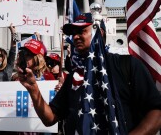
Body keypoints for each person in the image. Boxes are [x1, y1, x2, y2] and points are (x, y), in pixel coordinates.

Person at [17, 13, 161, 134]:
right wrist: (33, 90)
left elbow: (156, 113)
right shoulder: (75, 75)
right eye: (73, 34)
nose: (75, 37)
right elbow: (49, 119)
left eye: (81, 31)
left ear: (100, 33)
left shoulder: (127, 64)